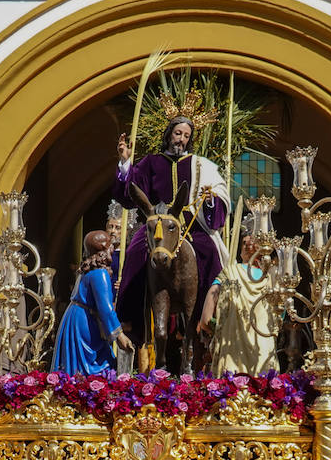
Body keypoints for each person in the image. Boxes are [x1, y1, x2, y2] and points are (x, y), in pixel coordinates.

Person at [112, 115, 229, 340]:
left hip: (190, 224)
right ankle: (130, 318)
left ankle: (212, 319)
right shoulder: (151, 162)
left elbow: (218, 203)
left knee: (210, 253)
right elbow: (130, 194)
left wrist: (209, 199)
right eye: (178, 134)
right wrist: (126, 163)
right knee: (135, 252)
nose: (181, 139)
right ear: (169, 134)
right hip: (157, 221)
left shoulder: (200, 165)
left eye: (186, 136)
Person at [52, 230, 134, 375]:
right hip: (84, 324)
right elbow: (106, 309)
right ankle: (92, 394)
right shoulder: (99, 274)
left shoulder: (86, 270)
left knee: (80, 364)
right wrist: (119, 336)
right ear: (103, 249)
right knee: (100, 366)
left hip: (75, 318)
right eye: (110, 246)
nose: (112, 250)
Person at [197, 228, 277, 375]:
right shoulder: (232, 272)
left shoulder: (268, 277)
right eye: (244, 243)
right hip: (245, 344)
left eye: (251, 243)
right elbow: (213, 294)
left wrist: (213, 326)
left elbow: (206, 316)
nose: (247, 245)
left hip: (246, 345)